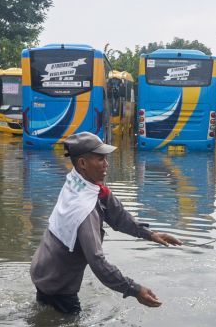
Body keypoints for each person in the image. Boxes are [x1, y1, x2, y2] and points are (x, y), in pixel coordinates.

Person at [31, 132, 181, 314]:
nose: (106, 164)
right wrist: (135, 290)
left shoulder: (81, 182)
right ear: (83, 163)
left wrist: (150, 234)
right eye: (100, 159)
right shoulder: (84, 210)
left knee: (42, 317)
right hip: (58, 282)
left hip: (43, 269)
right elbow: (97, 263)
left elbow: (118, 216)